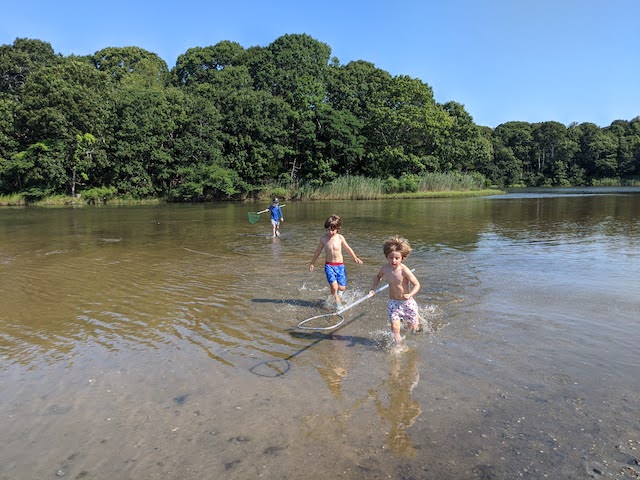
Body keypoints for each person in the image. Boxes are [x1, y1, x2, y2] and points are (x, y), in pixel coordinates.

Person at [369, 235, 421, 345]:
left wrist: (410, 294)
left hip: (407, 302)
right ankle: (398, 346)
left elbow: (417, 284)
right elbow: (378, 277)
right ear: (386, 256)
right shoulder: (385, 269)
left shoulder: (404, 270)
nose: (393, 260)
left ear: (402, 257)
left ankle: (418, 317)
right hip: (394, 303)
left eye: (397, 258)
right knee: (395, 328)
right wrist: (373, 289)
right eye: (390, 257)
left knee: (412, 329)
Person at [309, 214, 363, 306]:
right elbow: (318, 251)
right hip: (329, 266)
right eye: (328, 229)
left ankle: (334, 297)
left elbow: (348, 248)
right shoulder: (323, 239)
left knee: (341, 288)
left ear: (337, 228)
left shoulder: (340, 238)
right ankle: (338, 305)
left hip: (340, 266)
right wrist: (312, 263)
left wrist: (355, 257)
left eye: (332, 230)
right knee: (334, 287)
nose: (330, 232)